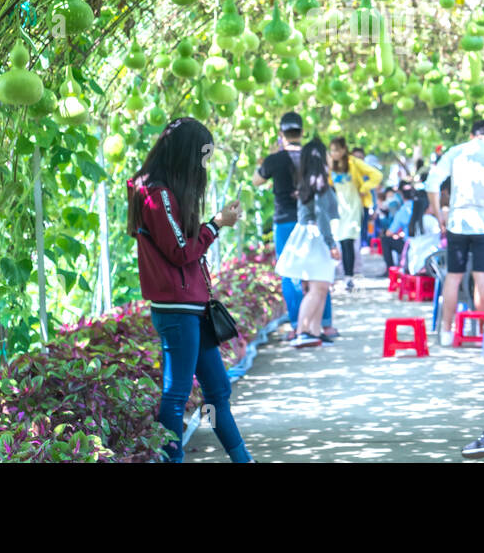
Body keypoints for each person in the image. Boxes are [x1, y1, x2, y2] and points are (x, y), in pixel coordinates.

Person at [127, 118, 251, 464]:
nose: (204, 166)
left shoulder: (163, 192)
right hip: (176, 309)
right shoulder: (155, 194)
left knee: (217, 389)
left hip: (192, 307)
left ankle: (242, 458)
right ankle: (172, 459)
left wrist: (210, 225)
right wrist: (216, 224)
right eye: (203, 156)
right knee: (176, 393)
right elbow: (181, 251)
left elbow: (182, 243)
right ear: (186, 154)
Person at [425, 120, 484, 347]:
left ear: (471, 134)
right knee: (482, 277)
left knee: (453, 277)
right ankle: (480, 333)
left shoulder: (455, 152)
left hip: (457, 222)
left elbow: (432, 183)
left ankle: (446, 331)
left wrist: (439, 215)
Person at [253, 111, 334, 340]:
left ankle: (299, 326)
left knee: (290, 275)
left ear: (281, 133)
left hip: (286, 222)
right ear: (301, 132)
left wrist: (269, 162)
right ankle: (325, 325)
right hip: (313, 222)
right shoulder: (312, 156)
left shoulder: (275, 160)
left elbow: (256, 181)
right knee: (319, 271)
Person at [275, 138, 341, 347]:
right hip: (316, 238)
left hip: (310, 237)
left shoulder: (309, 182)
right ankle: (304, 331)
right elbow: (322, 216)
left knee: (319, 288)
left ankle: (313, 331)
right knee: (317, 288)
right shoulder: (320, 184)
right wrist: (331, 244)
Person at [329, 136, 384, 292]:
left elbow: (376, 175)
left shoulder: (354, 163)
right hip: (338, 208)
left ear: (344, 150)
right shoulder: (330, 166)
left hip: (354, 208)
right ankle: (339, 276)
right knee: (338, 242)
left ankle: (349, 277)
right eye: (332, 150)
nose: (334, 153)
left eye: (337, 150)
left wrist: (364, 188)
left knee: (348, 243)